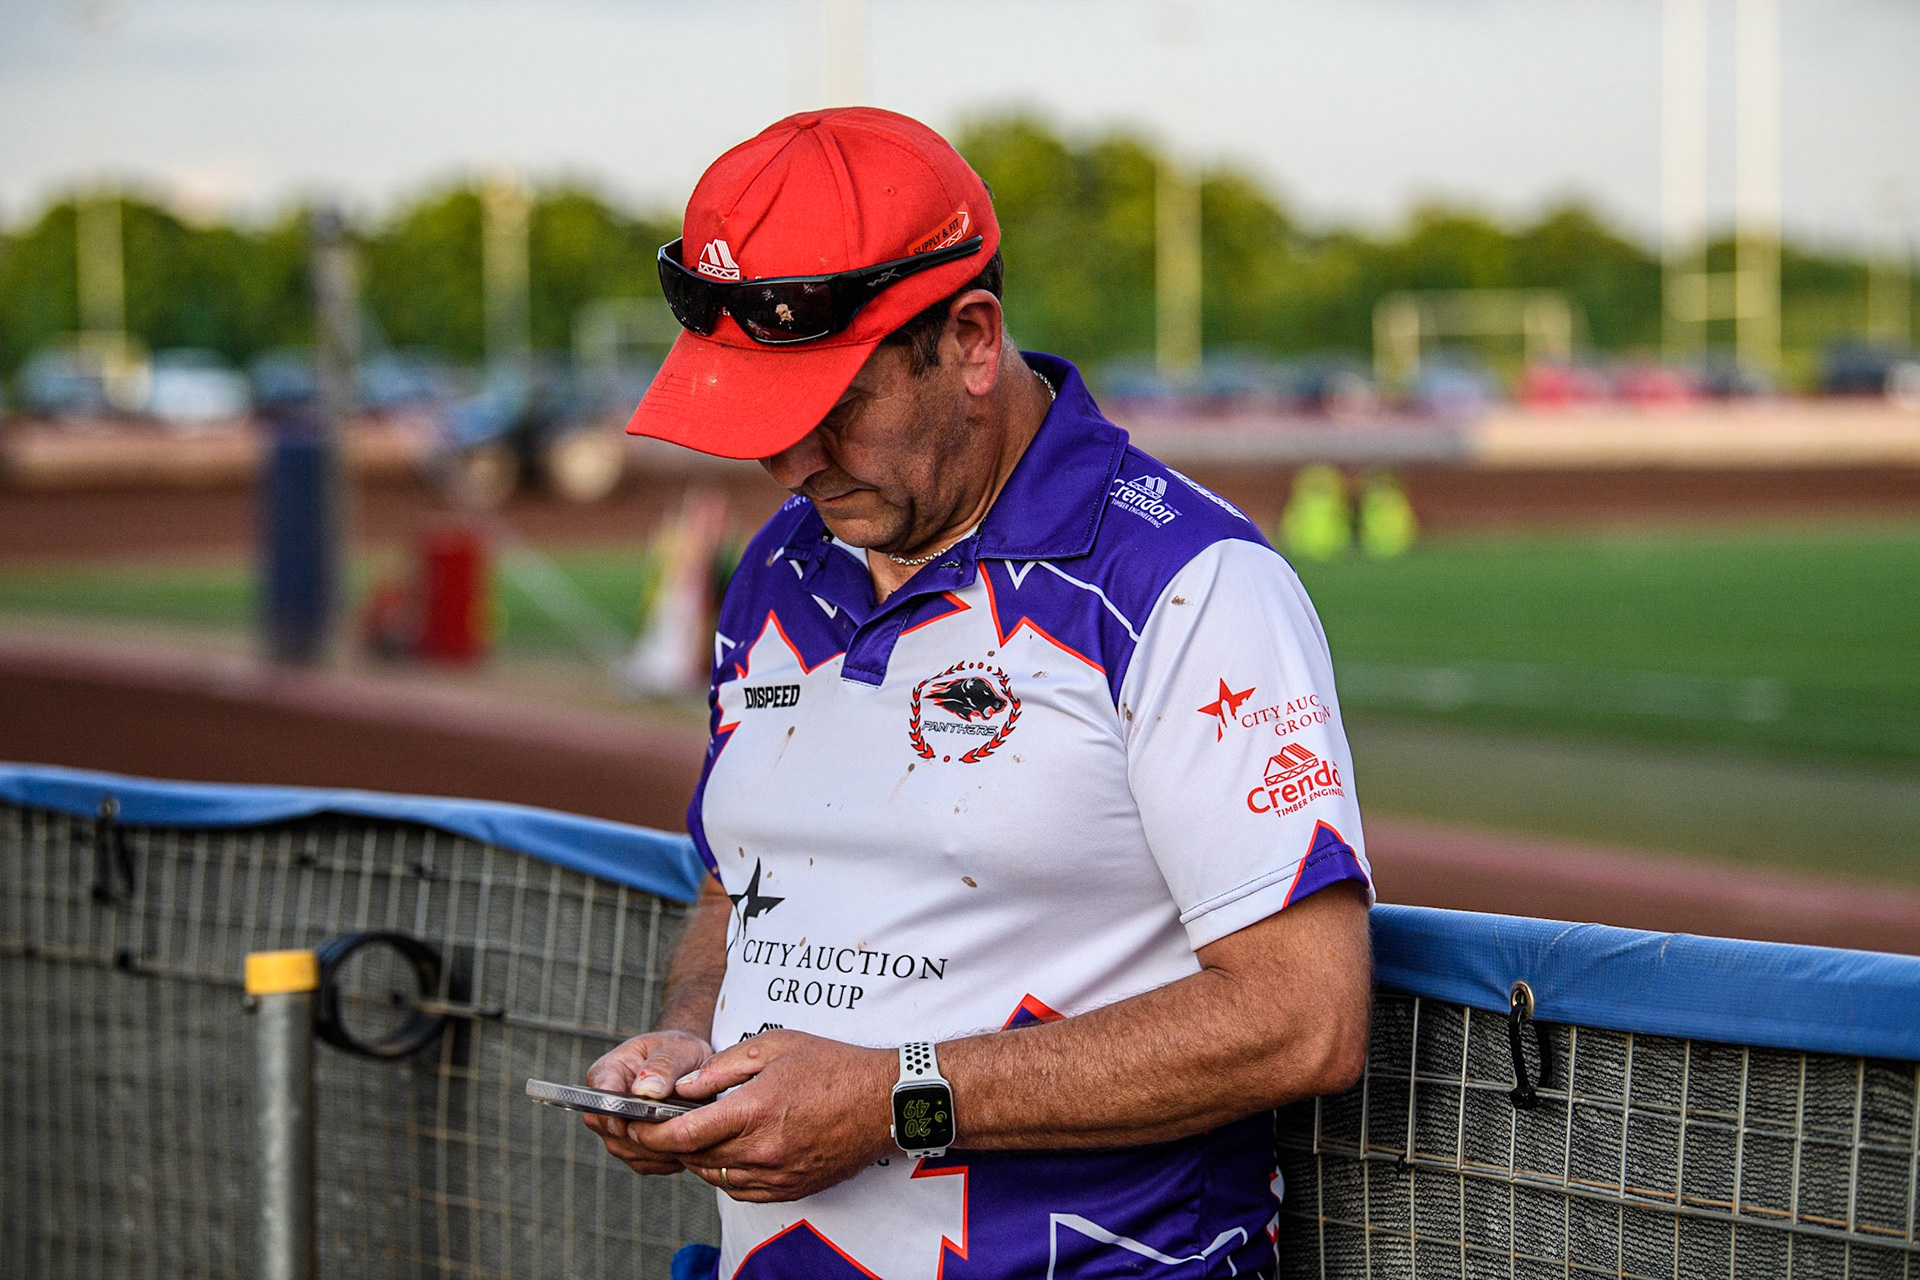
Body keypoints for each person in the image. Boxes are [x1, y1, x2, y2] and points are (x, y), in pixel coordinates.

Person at [586, 107, 1374, 1280]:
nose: (790, 465)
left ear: (969, 339)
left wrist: (894, 1099)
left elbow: (1304, 1017)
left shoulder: (1186, 582)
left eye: (830, 410)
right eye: (760, 422)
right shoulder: (778, 567)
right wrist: (690, 1041)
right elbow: (733, 877)